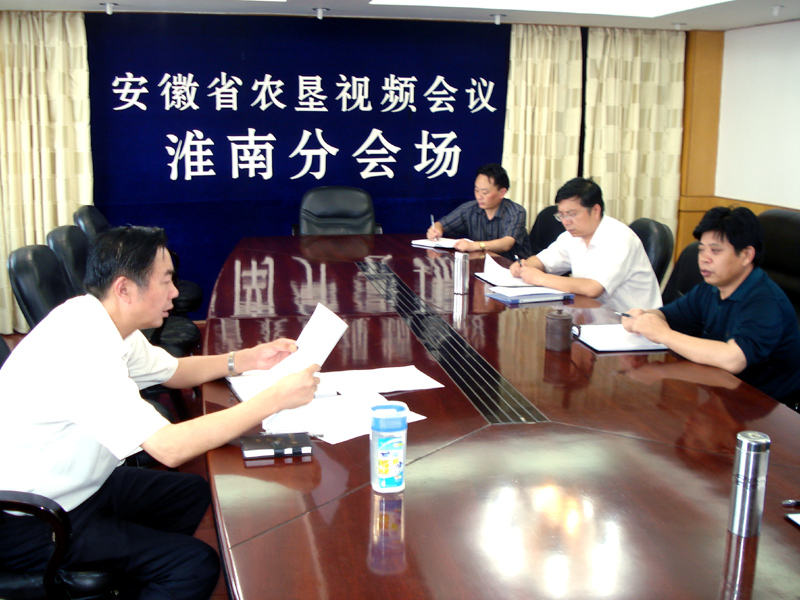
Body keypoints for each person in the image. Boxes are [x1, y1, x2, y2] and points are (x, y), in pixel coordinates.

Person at [0, 226, 320, 599]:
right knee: (194, 566)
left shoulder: (100, 317)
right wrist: (275, 399)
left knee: (189, 494)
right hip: (32, 518)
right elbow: (169, 449)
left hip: (80, 486)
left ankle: (134, 577)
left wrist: (247, 359)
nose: (174, 292)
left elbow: (173, 371)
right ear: (124, 288)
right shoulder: (82, 350)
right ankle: (149, 572)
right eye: (166, 280)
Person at [622, 206, 800, 408]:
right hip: (722, 393)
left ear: (746, 255)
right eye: (701, 249)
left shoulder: (765, 301)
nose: (704, 259)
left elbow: (734, 359)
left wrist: (662, 338)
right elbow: (670, 316)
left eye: (715, 251)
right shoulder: (711, 288)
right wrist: (644, 316)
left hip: (767, 409)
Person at [509, 177, 661, 313]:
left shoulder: (619, 238)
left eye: (572, 214)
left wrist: (540, 278)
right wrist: (524, 265)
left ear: (595, 210)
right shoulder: (571, 237)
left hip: (633, 321)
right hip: (594, 313)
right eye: (561, 215)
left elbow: (593, 288)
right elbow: (543, 261)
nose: (566, 221)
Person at [426, 163, 532, 260]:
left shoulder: (516, 212)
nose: (479, 196)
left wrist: (475, 245)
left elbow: (506, 243)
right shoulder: (469, 209)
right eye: (476, 190)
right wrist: (436, 230)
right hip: (481, 267)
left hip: (514, 268)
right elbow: (441, 224)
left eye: (484, 192)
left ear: (502, 192)